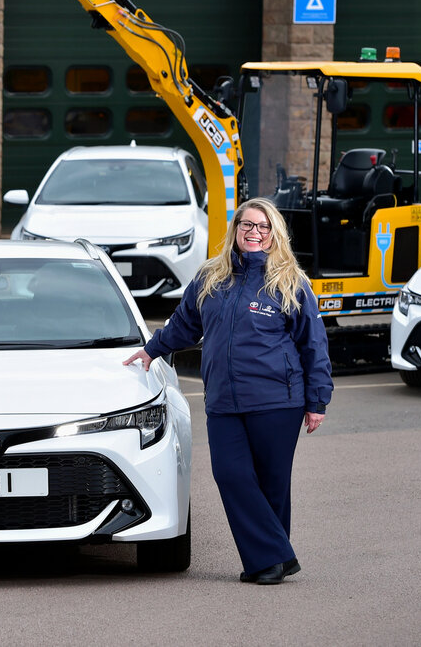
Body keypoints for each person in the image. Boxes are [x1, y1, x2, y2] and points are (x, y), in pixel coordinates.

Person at [122, 197, 331, 585]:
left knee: (272, 484)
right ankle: (277, 556)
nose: (254, 233)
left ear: (274, 235)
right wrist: (152, 350)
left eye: (262, 227)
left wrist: (317, 400)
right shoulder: (211, 277)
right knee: (231, 475)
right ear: (235, 230)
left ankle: (267, 563)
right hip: (222, 400)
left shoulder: (290, 282)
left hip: (277, 401)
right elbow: (185, 324)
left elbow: (313, 344)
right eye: (247, 226)